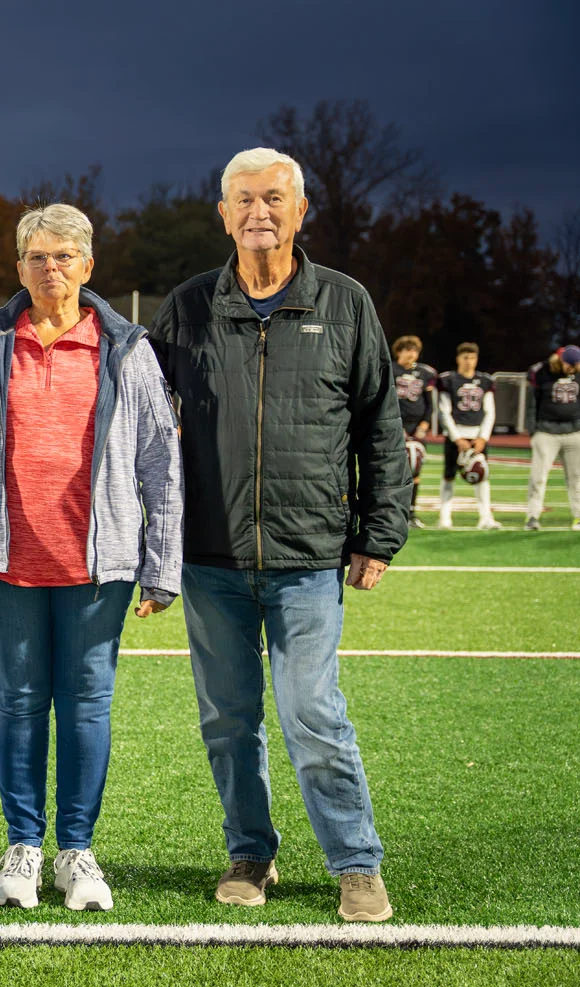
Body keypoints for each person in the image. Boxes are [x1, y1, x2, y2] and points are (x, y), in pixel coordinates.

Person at [149, 147, 408, 923]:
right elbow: (148, 430)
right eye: (243, 200)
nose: (258, 212)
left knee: (312, 713)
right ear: (223, 214)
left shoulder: (346, 302)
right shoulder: (189, 306)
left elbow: (380, 424)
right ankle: (250, 852)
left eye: (274, 199)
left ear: (300, 212)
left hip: (308, 556)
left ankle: (356, 863)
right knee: (229, 721)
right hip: (210, 555)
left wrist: (379, 533)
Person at [0, 204, 183, 912]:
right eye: (37, 257)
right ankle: (23, 846)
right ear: (19, 268)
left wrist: (162, 564)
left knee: (88, 707)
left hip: (99, 565)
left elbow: (161, 461)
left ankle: (77, 850)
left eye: (65, 256)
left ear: (88, 265)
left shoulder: (127, 349)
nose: (51, 268)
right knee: (19, 704)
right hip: (8, 559)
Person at [435, 343, 499, 529]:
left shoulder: (485, 381)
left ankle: (485, 517)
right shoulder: (449, 380)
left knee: (482, 475)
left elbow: (490, 412)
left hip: (477, 435)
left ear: (476, 359)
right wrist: (456, 438)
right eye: (465, 357)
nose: (469, 361)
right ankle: (445, 517)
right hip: (457, 435)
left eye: (472, 357)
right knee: (449, 476)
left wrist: (483, 437)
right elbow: (444, 411)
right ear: (458, 358)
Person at [524, 345, 580, 530]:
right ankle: (532, 516)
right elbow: (532, 401)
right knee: (538, 477)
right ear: (563, 362)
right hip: (546, 432)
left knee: (576, 477)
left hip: (574, 431)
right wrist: (533, 430)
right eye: (572, 366)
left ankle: (578, 517)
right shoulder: (540, 372)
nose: (574, 370)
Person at [392, 335, 437, 528]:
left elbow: (429, 404)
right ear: (399, 351)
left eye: (415, 350)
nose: (412, 354)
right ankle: (391, 514)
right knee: (392, 471)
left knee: (415, 470)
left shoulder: (425, 373)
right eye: (408, 349)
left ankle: (411, 513)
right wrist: (394, 425)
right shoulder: (390, 369)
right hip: (394, 426)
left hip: (416, 428)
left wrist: (425, 424)